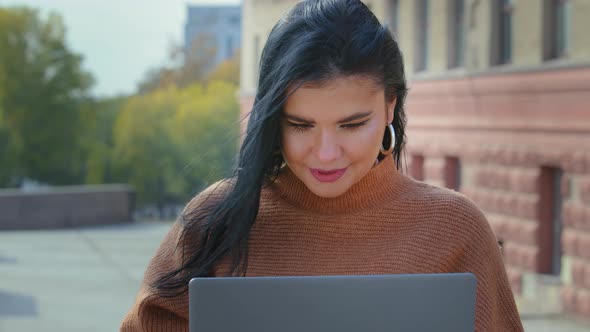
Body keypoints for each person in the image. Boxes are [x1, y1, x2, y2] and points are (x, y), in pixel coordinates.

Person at [121, 0, 524, 331]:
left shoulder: (455, 227)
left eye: (352, 125)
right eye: (300, 125)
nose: (326, 153)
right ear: (271, 118)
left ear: (390, 106)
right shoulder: (212, 220)